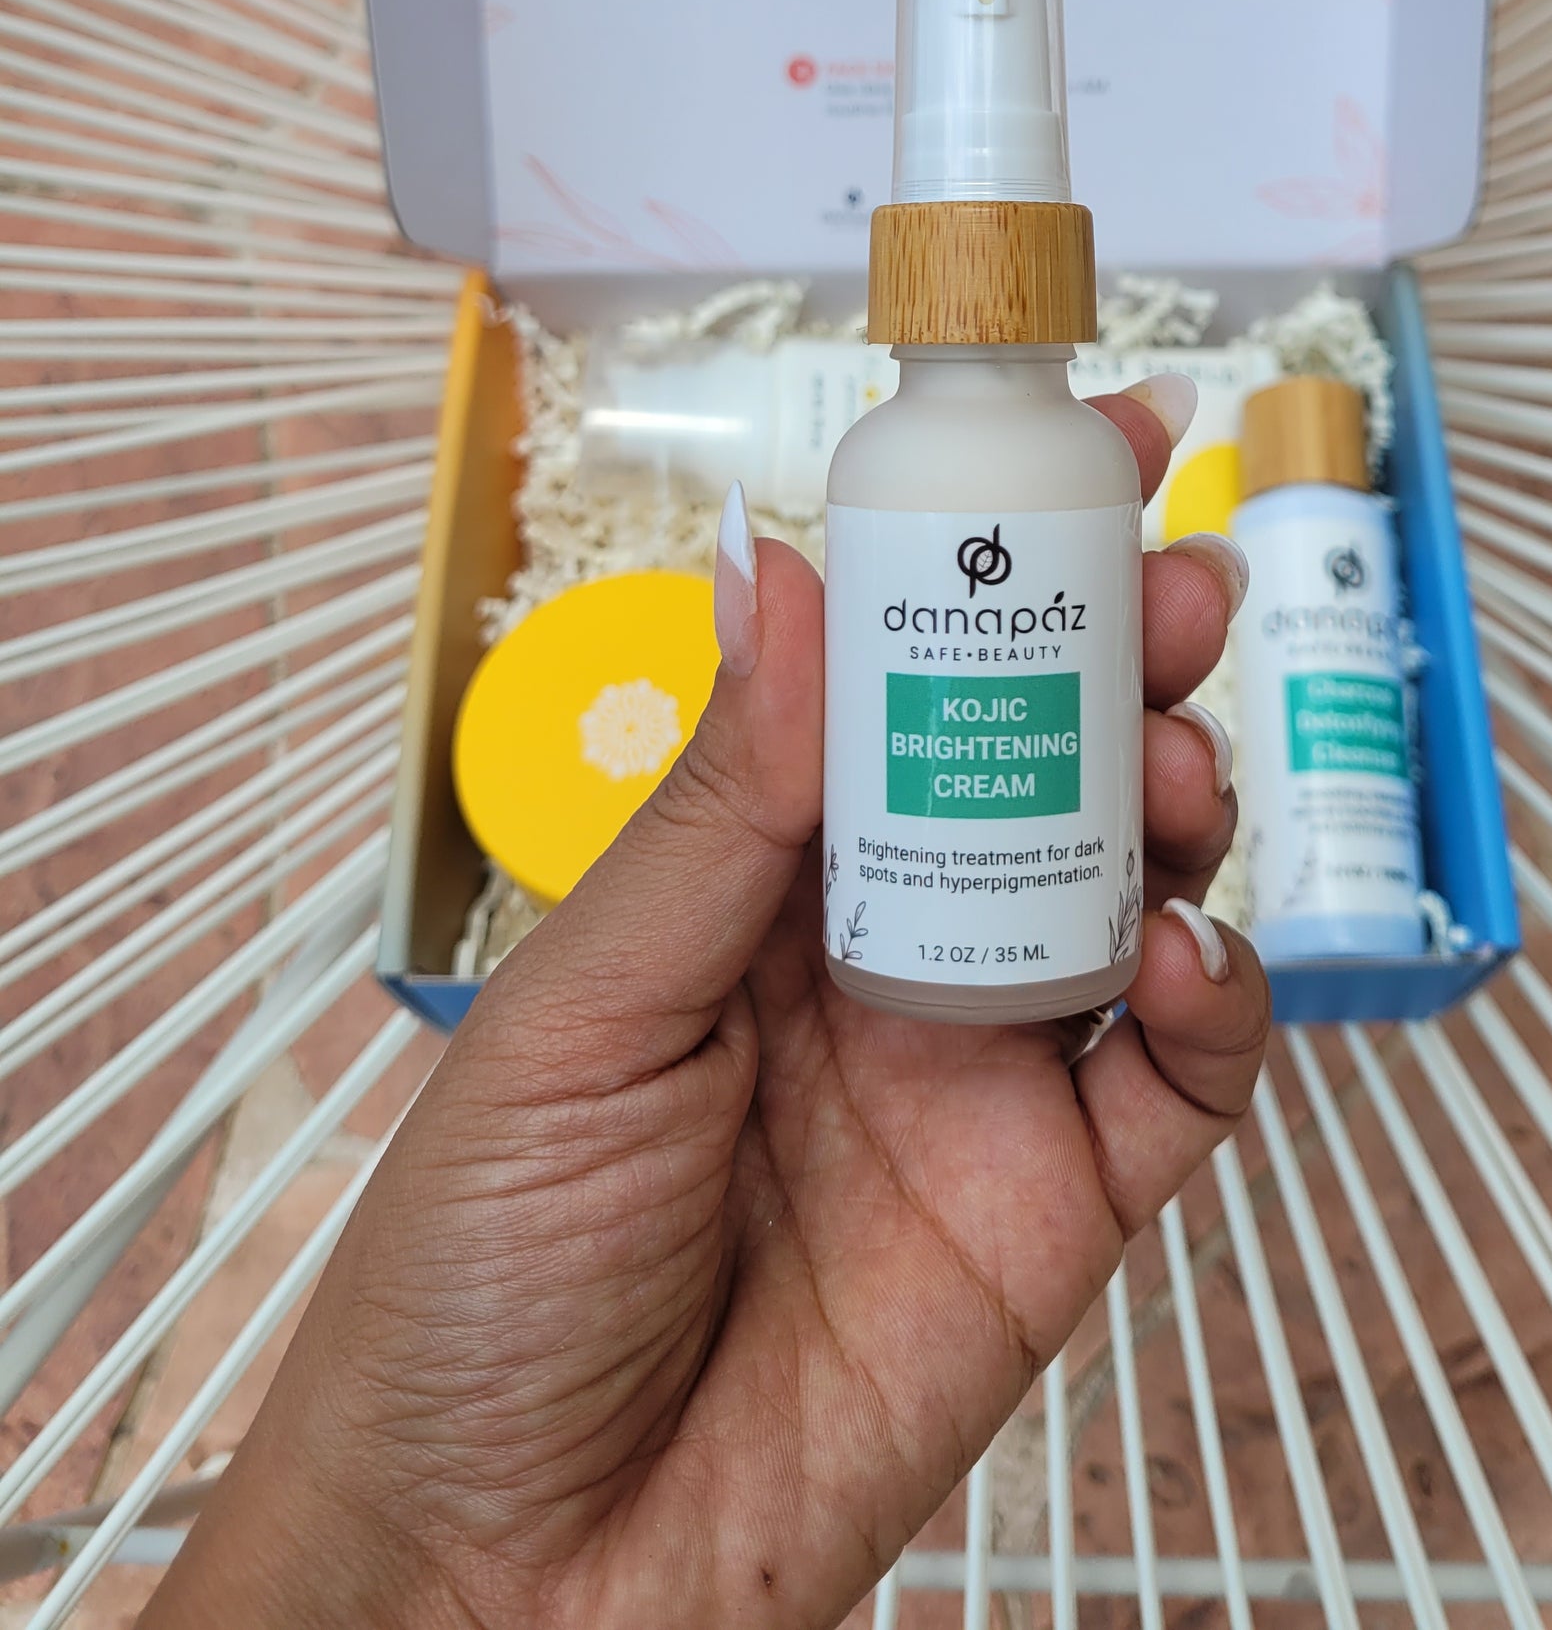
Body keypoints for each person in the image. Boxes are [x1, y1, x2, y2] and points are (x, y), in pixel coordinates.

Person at [142, 383, 1268, 1627]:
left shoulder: (1006, 461)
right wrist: (413, 1549)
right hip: (850, 1054)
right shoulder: (885, 456)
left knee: (1152, 766)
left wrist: (414, 1566)